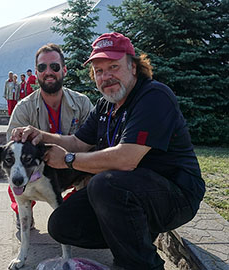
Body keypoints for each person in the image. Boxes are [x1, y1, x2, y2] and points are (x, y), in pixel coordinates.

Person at [11, 32, 205, 270]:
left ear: (133, 67)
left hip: (176, 195)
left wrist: (69, 160)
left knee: (105, 184)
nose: (106, 76)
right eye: (99, 71)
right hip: (131, 194)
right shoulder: (105, 105)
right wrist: (41, 135)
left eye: (113, 66)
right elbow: (76, 141)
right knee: (62, 225)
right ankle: (132, 242)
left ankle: (142, 264)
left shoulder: (153, 96)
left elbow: (126, 159)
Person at [6, 43, 93, 230]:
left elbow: (96, 143)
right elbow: (10, 150)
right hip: (39, 170)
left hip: (73, 166)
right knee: (16, 178)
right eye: (42, 67)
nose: (48, 72)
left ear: (64, 70)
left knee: (95, 179)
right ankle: (24, 215)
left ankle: (73, 212)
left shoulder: (83, 103)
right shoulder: (23, 108)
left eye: (54, 67)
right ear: (36, 73)